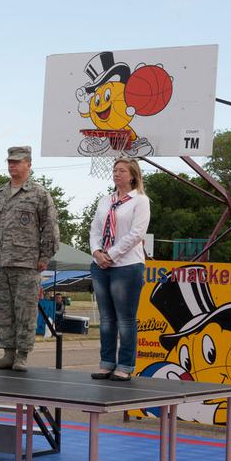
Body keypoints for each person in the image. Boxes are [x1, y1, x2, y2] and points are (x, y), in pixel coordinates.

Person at [0, 146, 60, 372]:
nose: (12, 165)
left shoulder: (38, 194)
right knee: (2, 310)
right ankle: (7, 353)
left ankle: (22, 355)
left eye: (17, 162)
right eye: (9, 161)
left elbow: (51, 228)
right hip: (1, 262)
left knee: (25, 311)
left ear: (29, 164)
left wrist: (44, 256)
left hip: (27, 263)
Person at [89, 157, 150, 381]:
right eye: (115, 170)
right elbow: (94, 229)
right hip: (101, 265)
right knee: (106, 318)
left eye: (122, 170)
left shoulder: (140, 201)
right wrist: (97, 252)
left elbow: (136, 234)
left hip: (127, 265)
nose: (117, 174)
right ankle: (106, 363)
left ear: (132, 176)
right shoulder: (105, 200)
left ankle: (124, 365)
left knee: (125, 318)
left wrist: (111, 254)